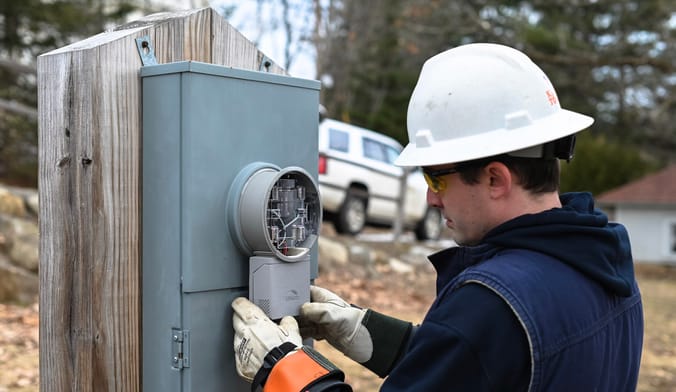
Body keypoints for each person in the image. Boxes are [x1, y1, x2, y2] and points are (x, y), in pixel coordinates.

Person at [232, 43, 644, 391]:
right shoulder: (606, 266)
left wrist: (282, 368)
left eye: (436, 177)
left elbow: (478, 348)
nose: (430, 198)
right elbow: (484, 370)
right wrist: (370, 333)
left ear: (495, 178)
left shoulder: (491, 305)